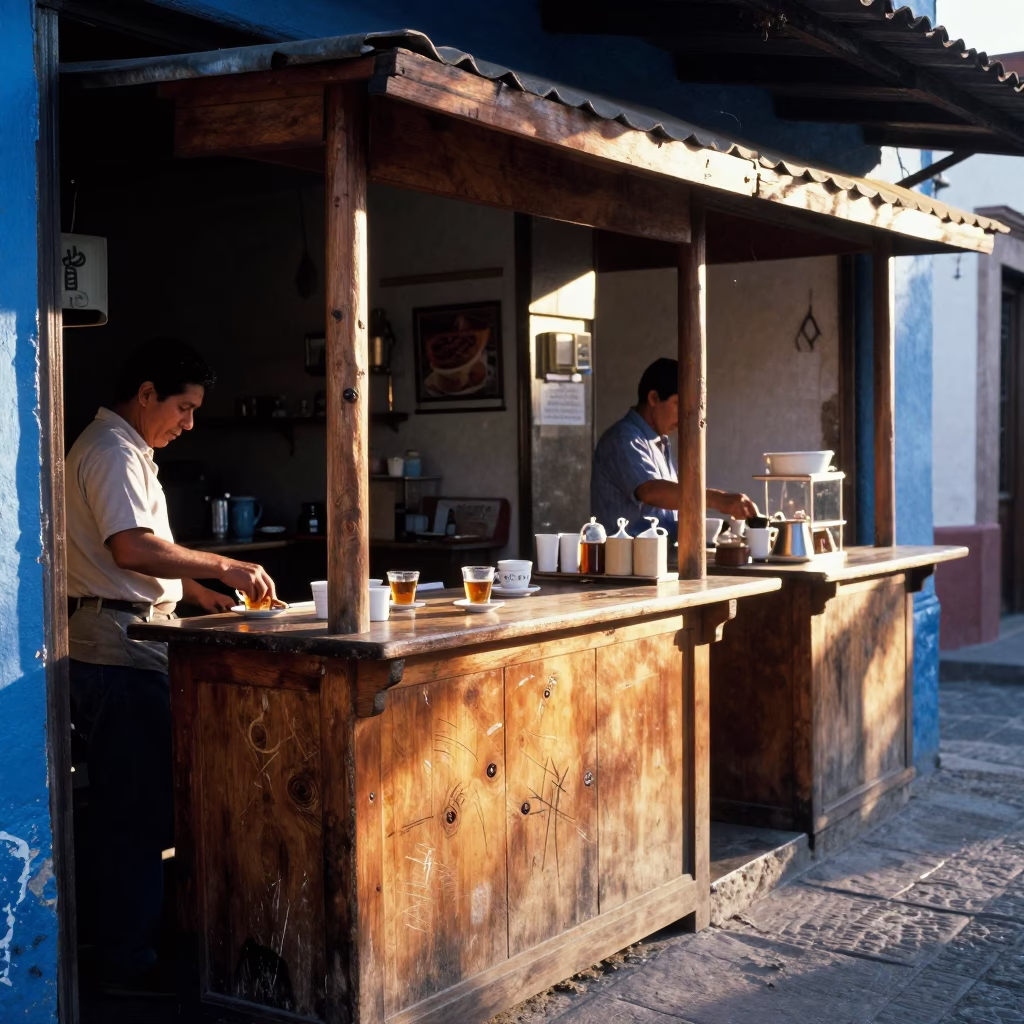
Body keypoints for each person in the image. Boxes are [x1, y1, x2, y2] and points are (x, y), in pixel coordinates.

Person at [66, 341, 278, 987]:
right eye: (183, 407)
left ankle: (131, 947)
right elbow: (132, 548)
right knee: (134, 810)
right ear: (148, 392)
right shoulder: (109, 450)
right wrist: (224, 564)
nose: (189, 422)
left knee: (138, 805)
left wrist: (198, 594)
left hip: (132, 635)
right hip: (114, 651)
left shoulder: (133, 453)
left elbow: (131, 557)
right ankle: (126, 964)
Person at [591, 357, 757, 539]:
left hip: (656, 558)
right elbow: (651, 491)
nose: (684, 416)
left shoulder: (659, 442)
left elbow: (671, 504)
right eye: (678, 404)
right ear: (653, 398)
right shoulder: (623, 439)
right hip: (628, 562)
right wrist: (717, 499)